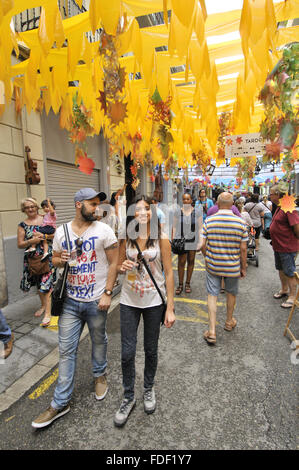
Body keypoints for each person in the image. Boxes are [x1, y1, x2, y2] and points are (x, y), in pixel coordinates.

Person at [32, 188, 119, 429]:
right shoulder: (61, 231)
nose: (97, 208)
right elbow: (56, 259)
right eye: (92, 204)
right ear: (78, 204)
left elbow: (114, 262)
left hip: (96, 300)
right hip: (70, 301)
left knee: (99, 341)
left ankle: (99, 375)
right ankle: (60, 403)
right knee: (65, 350)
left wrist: (108, 292)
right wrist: (62, 259)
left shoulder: (104, 230)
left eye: (98, 204)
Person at [114, 196, 175, 427]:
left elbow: (169, 273)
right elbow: (119, 266)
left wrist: (170, 307)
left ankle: (148, 388)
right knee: (127, 353)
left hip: (153, 302)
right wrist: (123, 266)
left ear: (152, 212)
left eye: (147, 209)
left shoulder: (161, 238)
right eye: (138, 209)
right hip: (129, 301)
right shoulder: (127, 238)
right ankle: (128, 396)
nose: (142, 212)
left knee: (151, 349)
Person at [201, 192, 248, 344]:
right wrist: (243, 267)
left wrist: (207, 257)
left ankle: (212, 331)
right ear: (233, 204)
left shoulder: (209, 221)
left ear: (217, 204)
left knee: (212, 295)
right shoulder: (240, 223)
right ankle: (229, 321)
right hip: (232, 266)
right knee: (231, 293)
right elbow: (243, 249)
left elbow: (202, 244)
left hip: (213, 265)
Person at [17, 197, 56, 327]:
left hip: (47, 256)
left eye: (32, 206)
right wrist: (30, 242)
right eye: (27, 207)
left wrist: (44, 237)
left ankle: (48, 313)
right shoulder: (22, 225)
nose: (30, 209)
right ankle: (44, 305)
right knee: (39, 283)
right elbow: (20, 244)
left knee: (47, 284)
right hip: (33, 259)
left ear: (36, 207)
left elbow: (55, 234)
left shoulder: (45, 218)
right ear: (24, 210)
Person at [269, 185, 299, 309]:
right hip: (279, 245)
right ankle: (284, 290)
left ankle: (292, 296)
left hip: (287, 245)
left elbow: (296, 225)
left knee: (289, 271)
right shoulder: (280, 205)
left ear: (277, 194)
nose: (270, 196)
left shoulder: (287, 204)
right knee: (281, 269)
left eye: (271, 194)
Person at [172, 193, 203, 294]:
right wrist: (173, 239)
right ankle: (180, 284)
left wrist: (200, 241)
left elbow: (200, 227)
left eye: (188, 199)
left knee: (191, 261)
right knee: (181, 262)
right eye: (184, 199)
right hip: (181, 240)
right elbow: (174, 226)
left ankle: (188, 283)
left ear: (191, 201)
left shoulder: (197, 212)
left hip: (193, 239)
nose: (185, 201)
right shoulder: (177, 212)